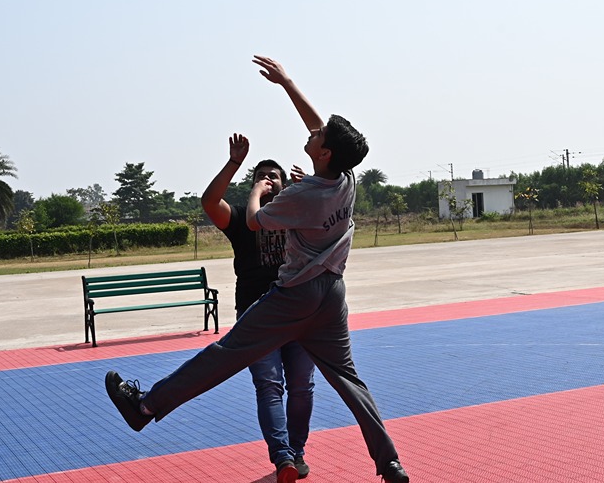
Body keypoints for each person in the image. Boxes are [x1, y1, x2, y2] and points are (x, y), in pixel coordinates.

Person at [106, 56, 410, 483]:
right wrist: (287, 83)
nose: (314, 131)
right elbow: (319, 127)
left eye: (319, 136)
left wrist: (255, 190)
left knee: (226, 354)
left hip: (295, 295)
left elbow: (252, 221)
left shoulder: (300, 195)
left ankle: (144, 407)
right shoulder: (346, 179)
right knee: (349, 380)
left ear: (324, 153)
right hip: (332, 294)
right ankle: (390, 463)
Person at [200, 135, 315, 480]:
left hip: (299, 313)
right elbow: (209, 202)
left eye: (273, 176)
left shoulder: (298, 214)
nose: (267, 179)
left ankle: (297, 451)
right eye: (260, 176)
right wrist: (235, 163)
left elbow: (328, 211)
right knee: (268, 386)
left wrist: (307, 188)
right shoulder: (239, 219)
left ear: (284, 184)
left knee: (301, 386)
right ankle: (283, 459)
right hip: (255, 315)